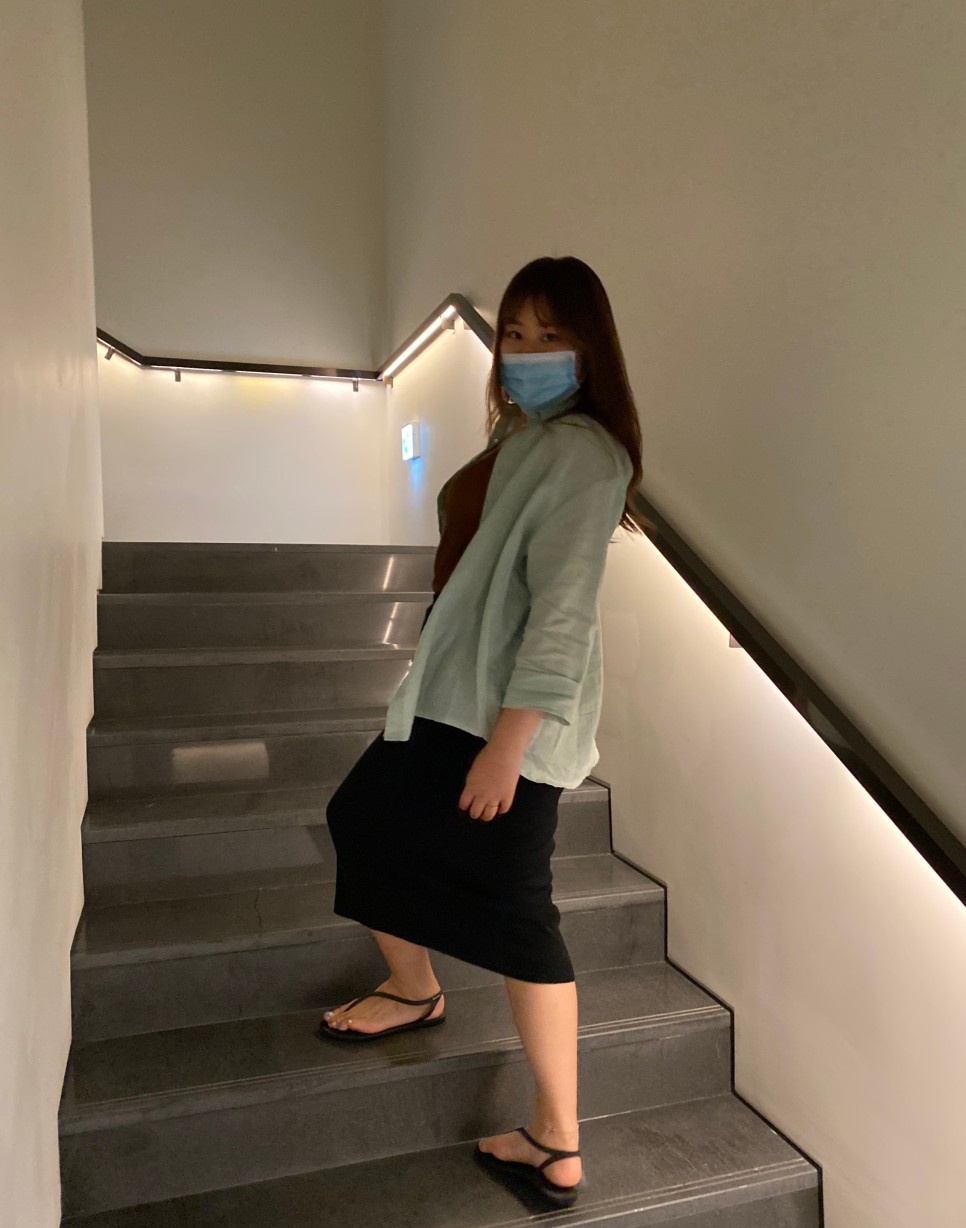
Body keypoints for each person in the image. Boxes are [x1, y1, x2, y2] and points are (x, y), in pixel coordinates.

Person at [320, 255, 644, 1208]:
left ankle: (556, 1138)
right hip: (448, 700)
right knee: (362, 819)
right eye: (514, 333)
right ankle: (414, 989)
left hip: (500, 722)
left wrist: (509, 744)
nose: (527, 351)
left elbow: (562, 616)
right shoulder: (525, 435)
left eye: (553, 335)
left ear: (591, 348)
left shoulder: (585, 454)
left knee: (517, 915)